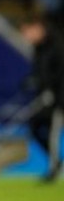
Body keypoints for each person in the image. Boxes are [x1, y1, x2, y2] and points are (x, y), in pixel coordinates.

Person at [20, 15, 64, 182]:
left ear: (37, 28)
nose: (26, 38)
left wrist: (54, 93)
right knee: (34, 126)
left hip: (58, 100)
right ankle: (56, 162)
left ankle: (54, 170)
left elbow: (59, 73)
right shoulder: (39, 48)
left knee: (53, 133)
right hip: (45, 98)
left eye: (27, 33)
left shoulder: (57, 45)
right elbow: (40, 73)